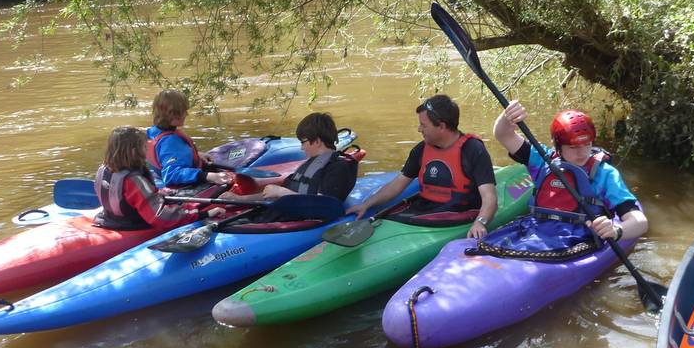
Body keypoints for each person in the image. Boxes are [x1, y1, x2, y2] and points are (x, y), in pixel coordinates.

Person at [491, 100, 647, 250]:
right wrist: (507, 116)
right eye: (573, 147)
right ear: (557, 146)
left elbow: (640, 222)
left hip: (578, 237)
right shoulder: (542, 160)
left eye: (587, 144)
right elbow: (503, 134)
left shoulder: (605, 174)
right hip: (535, 230)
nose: (582, 153)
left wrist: (616, 230)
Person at [348, 94, 496, 240]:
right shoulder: (421, 150)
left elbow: (490, 198)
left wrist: (480, 222)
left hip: (459, 211)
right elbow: (397, 185)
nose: (419, 129)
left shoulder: (473, 150)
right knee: (391, 217)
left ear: (442, 127)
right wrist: (367, 204)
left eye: (423, 125)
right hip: (426, 210)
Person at [94, 126, 224, 231]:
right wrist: (203, 215)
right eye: (145, 147)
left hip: (110, 218)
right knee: (200, 204)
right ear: (134, 152)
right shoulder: (134, 181)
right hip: (134, 224)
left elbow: (126, 197)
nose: (147, 150)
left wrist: (157, 193)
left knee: (181, 199)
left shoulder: (104, 169)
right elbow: (161, 217)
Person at [220, 112, 359, 204]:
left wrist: (282, 192)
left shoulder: (338, 168)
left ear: (317, 141)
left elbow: (325, 205)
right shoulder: (311, 164)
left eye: (303, 142)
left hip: (305, 222)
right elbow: (273, 195)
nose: (301, 148)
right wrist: (238, 199)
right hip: (287, 213)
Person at [146, 89, 233, 189]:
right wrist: (209, 176)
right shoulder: (170, 142)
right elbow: (171, 174)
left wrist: (193, 154)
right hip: (184, 186)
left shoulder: (154, 132)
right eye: (183, 111)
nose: (186, 114)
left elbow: (165, 155)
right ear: (173, 114)